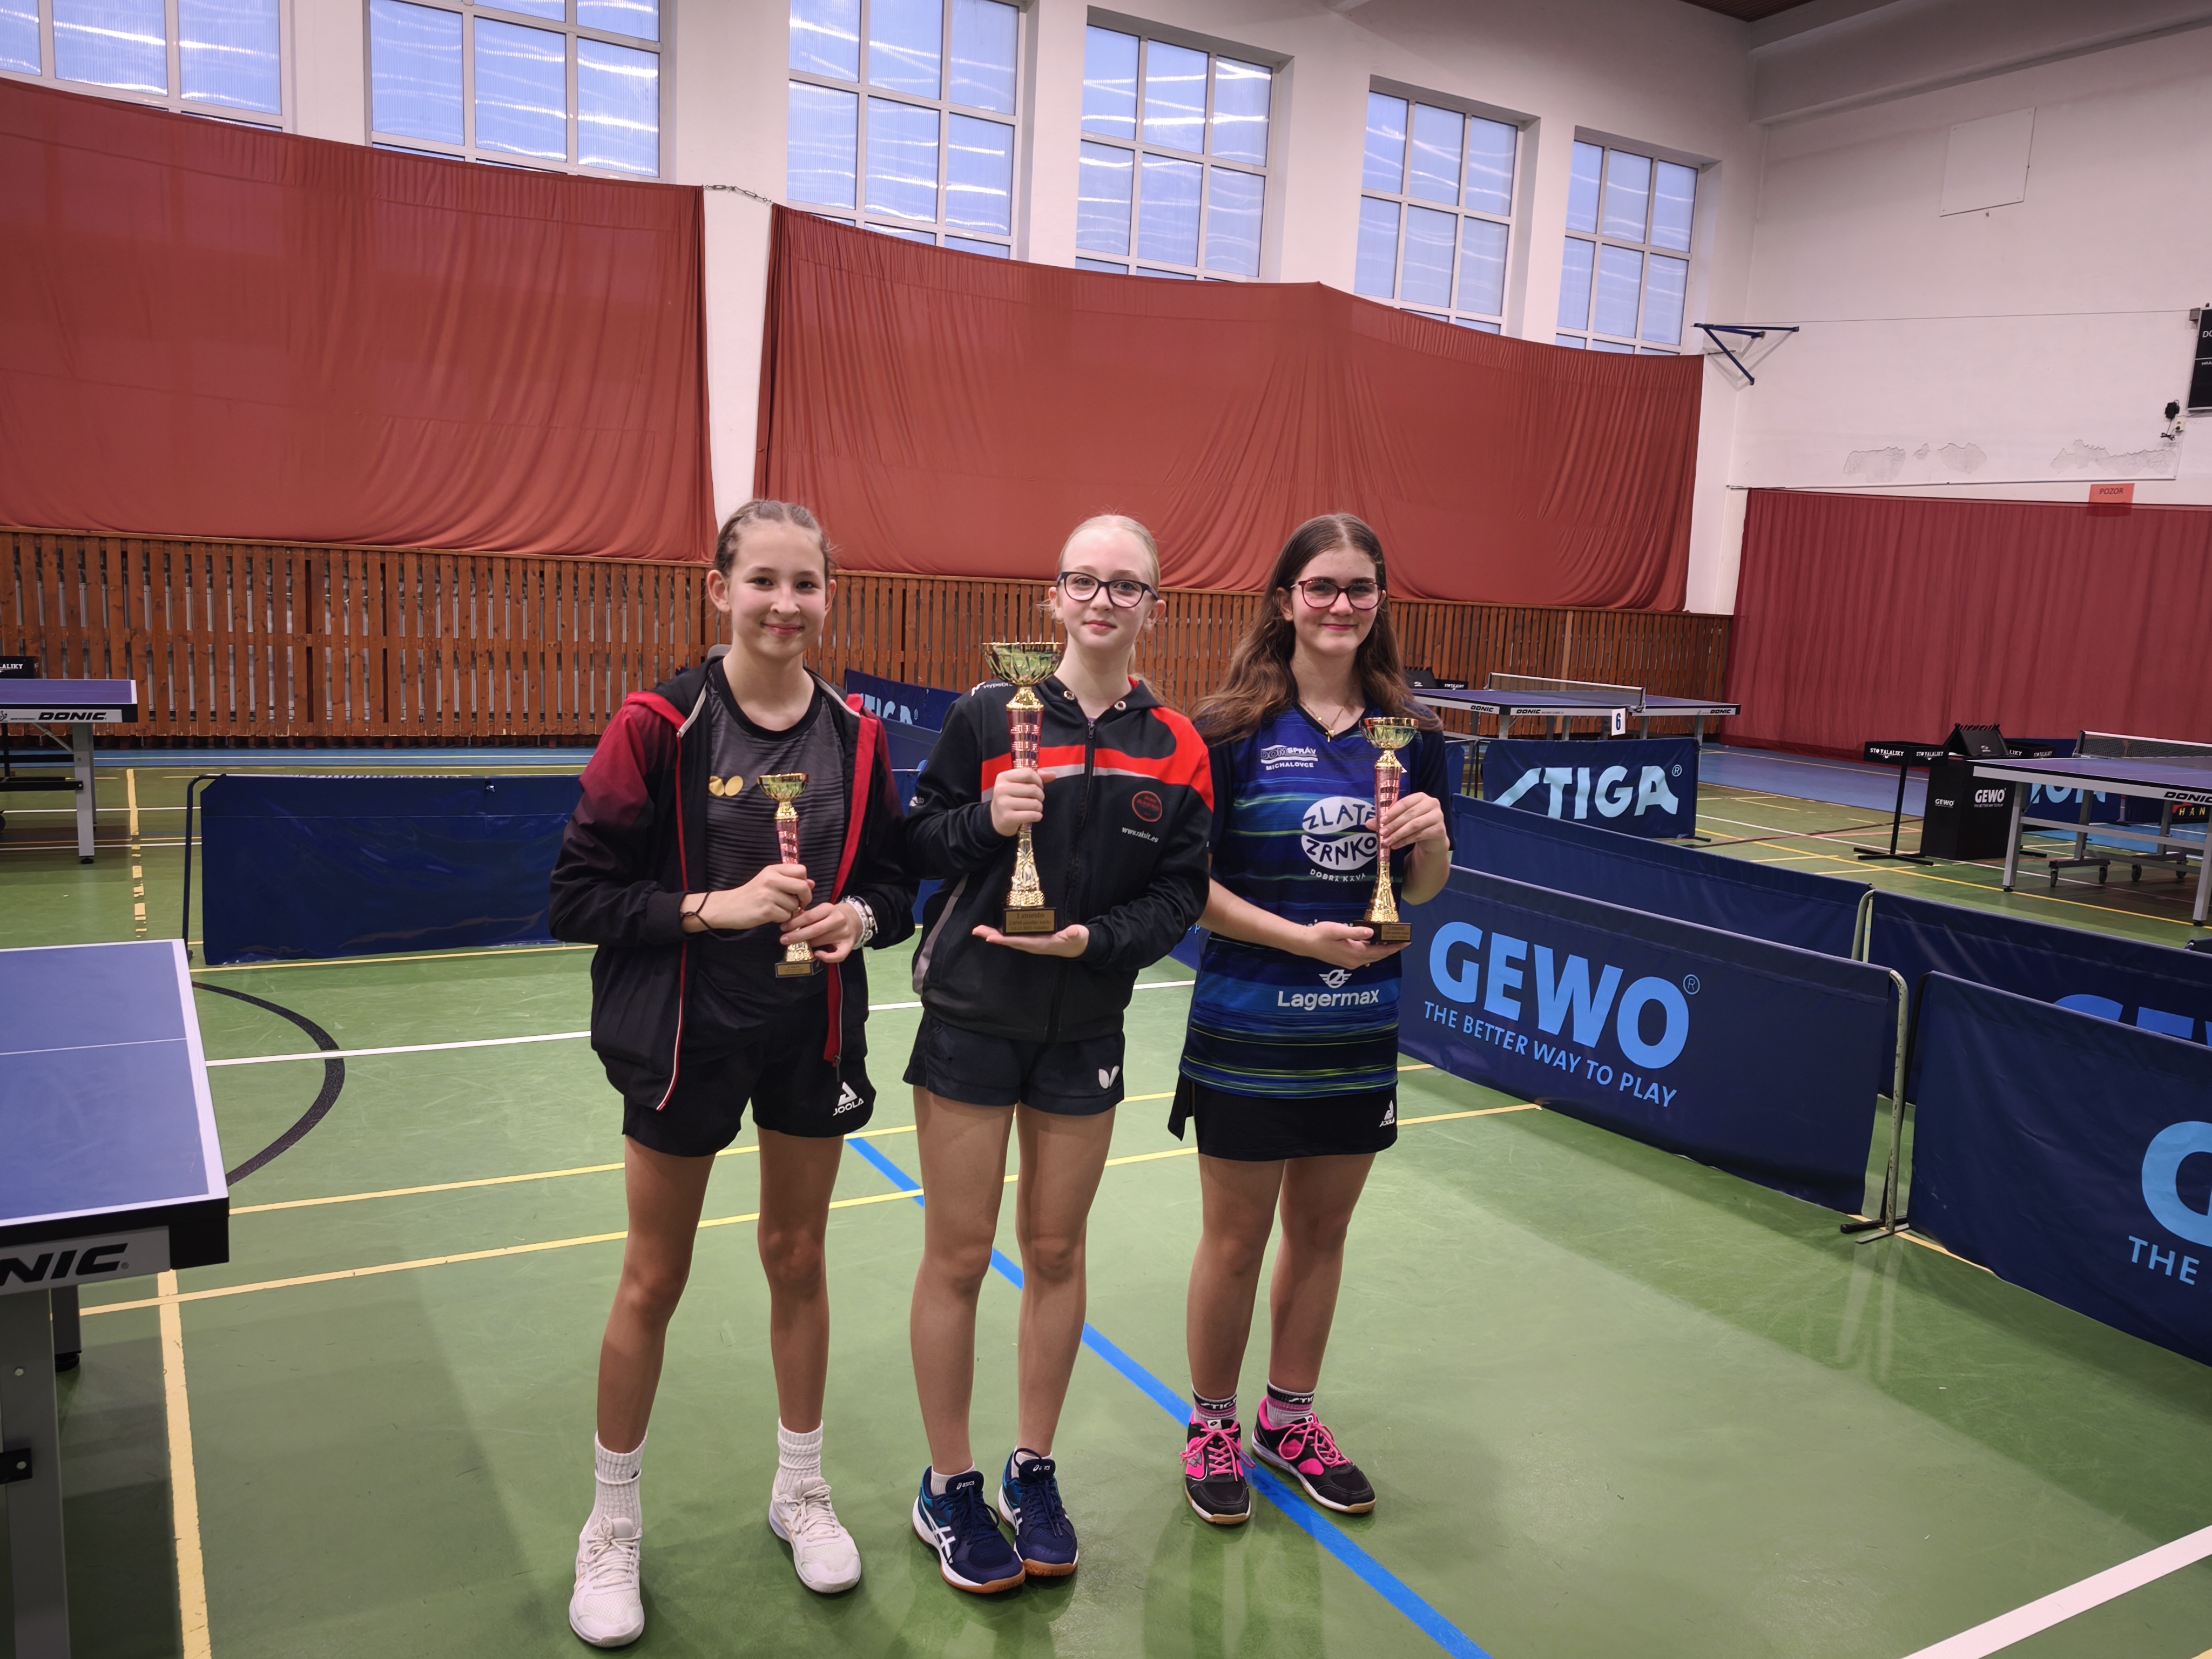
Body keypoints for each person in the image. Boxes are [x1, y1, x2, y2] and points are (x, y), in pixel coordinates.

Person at [548, 500, 915, 1647]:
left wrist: (859, 917)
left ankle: (800, 1489)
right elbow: (576, 898)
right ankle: (611, 1526)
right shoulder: (659, 724)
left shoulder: (857, 737)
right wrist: (720, 908)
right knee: (653, 1279)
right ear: (719, 590)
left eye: (805, 584)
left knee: (797, 1258)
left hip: (809, 1035)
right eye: (762, 580)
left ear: (827, 596)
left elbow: (896, 884)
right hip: (685, 1039)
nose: (783, 604)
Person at [901, 514, 1213, 1593]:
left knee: (1058, 1252)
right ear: (1053, 597)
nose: (1101, 600)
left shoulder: (1176, 745)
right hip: (971, 1015)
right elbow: (918, 839)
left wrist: (1096, 943)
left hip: (1084, 1027)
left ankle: (1031, 1470)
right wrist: (987, 819)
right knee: (957, 1256)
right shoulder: (989, 714)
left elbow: (1179, 892)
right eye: (1084, 581)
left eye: (1125, 586)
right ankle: (949, 1485)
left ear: (1152, 607)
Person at [1169, 512, 1453, 1526]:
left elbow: (1420, 892)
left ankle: (1288, 1420)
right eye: (1321, 586)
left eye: (1359, 588)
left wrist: (1432, 837)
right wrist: (1300, 941)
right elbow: (1189, 889)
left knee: (1323, 1233)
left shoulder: (1412, 735)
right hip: (1249, 1024)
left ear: (1380, 602)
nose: (1340, 605)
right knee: (1235, 1241)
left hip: (1357, 1028)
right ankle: (1212, 1425)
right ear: (1286, 599)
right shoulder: (1225, 732)